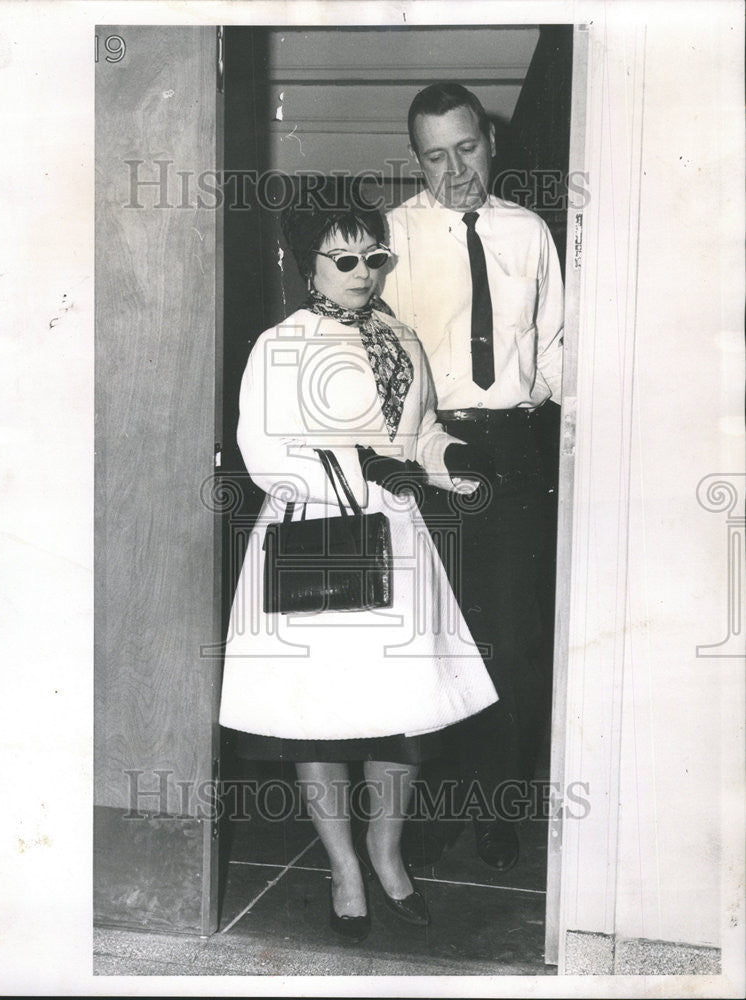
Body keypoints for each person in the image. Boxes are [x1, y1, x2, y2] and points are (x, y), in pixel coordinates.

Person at [219, 177, 498, 943]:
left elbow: (420, 434)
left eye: (374, 256)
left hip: (397, 543)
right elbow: (264, 453)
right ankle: (342, 866)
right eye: (343, 261)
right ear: (305, 267)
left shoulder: (400, 337)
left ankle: (386, 852)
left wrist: (449, 459)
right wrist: (361, 473)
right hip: (317, 542)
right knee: (321, 717)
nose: (364, 273)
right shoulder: (283, 345)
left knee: (403, 716)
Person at [381, 83, 564, 872]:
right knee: (436, 641)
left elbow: (556, 347)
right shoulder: (393, 237)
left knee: (514, 642)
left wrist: (541, 417)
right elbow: (385, 367)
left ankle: (494, 804)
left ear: (489, 140)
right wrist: (425, 450)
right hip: (435, 450)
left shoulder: (530, 233)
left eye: (466, 148)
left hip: (517, 453)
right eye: (434, 156)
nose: (454, 170)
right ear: (416, 159)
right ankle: (437, 805)